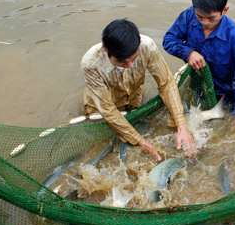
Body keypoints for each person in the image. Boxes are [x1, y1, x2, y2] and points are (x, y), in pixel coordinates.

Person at [81, 19, 197, 161]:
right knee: (105, 148)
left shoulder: (147, 46)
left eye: (134, 58)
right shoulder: (90, 64)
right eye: (122, 62)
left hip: (134, 101)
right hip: (100, 111)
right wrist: (139, 140)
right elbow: (107, 109)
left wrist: (182, 126)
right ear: (105, 49)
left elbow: (166, 83)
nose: (129, 65)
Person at [162, 0, 235, 114]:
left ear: (225, 10)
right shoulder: (189, 15)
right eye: (200, 16)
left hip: (223, 92)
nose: (205, 23)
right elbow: (169, 40)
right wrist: (189, 53)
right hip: (198, 84)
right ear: (194, 8)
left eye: (211, 18)